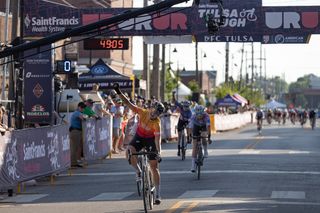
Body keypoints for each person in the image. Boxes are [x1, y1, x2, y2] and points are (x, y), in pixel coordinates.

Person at [113, 83, 164, 205]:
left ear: (159, 115)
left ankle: (158, 193)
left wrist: (159, 153)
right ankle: (138, 171)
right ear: (151, 108)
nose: (154, 114)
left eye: (157, 113)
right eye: (154, 111)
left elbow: (158, 140)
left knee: (154, 167)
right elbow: (128, 103)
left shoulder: (157, 123)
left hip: (151, 140)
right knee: (129, 150)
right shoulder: (142, 112)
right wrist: (118, 91)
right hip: (139, 137)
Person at [188, 105, 211, 173]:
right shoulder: (193, 117)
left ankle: (205, 150)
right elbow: (190, 128)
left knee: (204, 137)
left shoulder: (206, 116)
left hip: (204, 126)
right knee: (194, 146)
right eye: (198, 115)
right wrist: (189, 137)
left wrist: (209, 137)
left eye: (201, 115)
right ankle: (193, 165)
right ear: (195, 114)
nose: (199, 117)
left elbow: (208, 128)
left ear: (203, 113)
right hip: (196, 127)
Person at [69, 102, 87, 167]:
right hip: (75, 131)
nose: (83, 109)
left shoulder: (79, 113)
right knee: (74, 148)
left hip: (77, 131)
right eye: (82, 108)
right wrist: (85, 115)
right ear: (79, 107)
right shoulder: (77, 113)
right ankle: (72, 163)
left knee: (77, 148)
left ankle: (75, 162)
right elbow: (84, 118)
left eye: (84, 108)